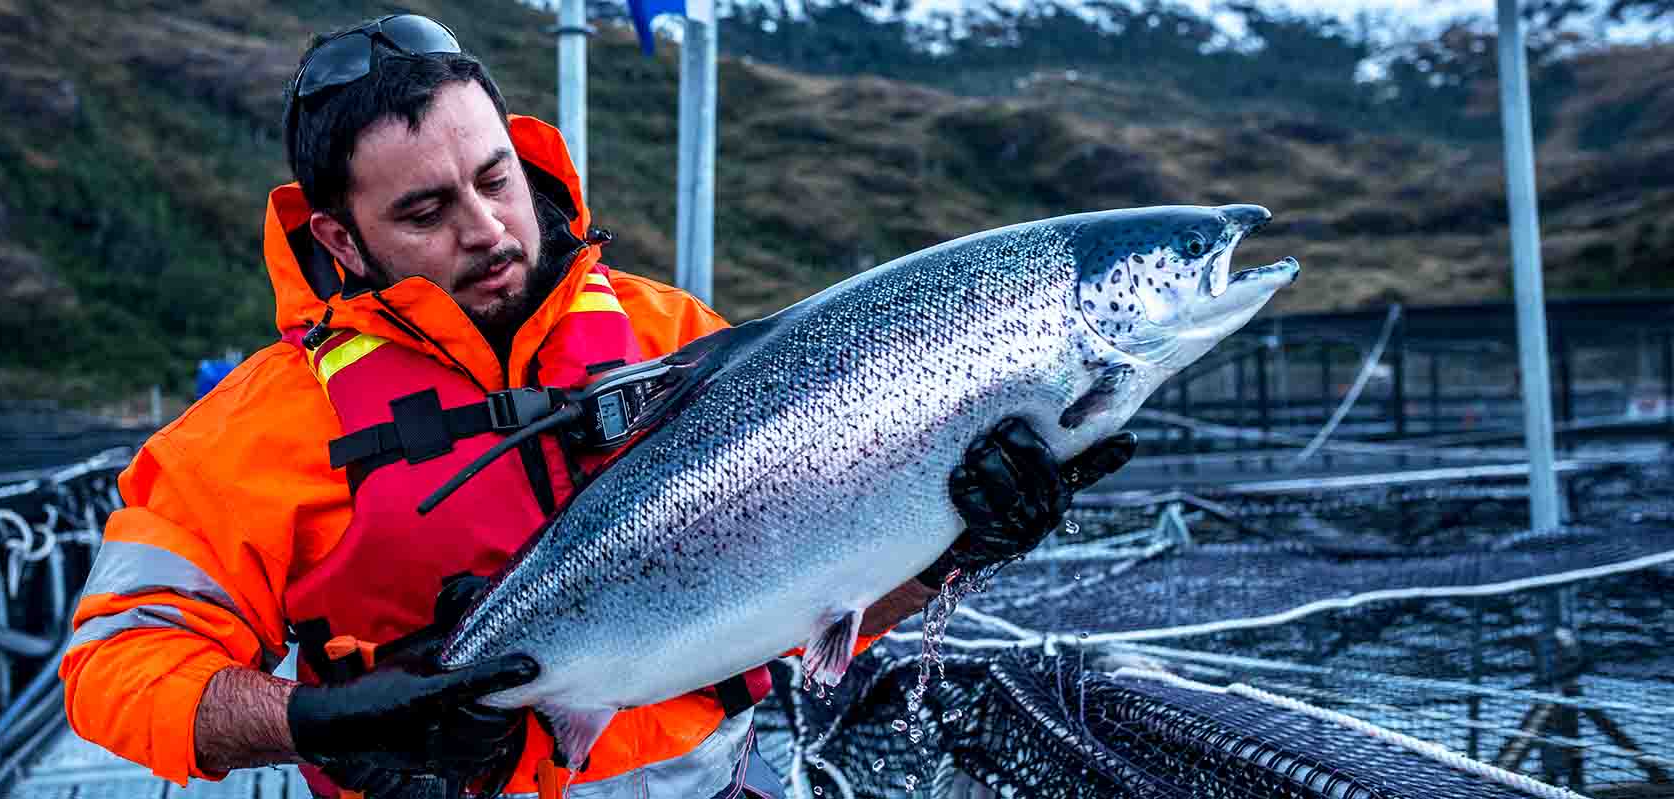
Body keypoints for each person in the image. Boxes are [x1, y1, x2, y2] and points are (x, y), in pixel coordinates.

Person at [57, 11, 1137, 799]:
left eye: (494, 178)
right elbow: (113, 668)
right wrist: (318, 721)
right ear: (339, 238)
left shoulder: (677, 340)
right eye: (426, 209)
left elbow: (808, 600)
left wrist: (956, 546)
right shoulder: (251, 431)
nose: (485, 229)